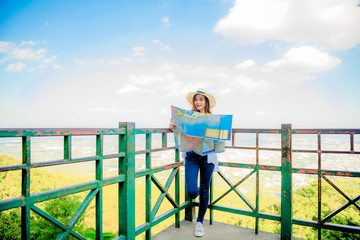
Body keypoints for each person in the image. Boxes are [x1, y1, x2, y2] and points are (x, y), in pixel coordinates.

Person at [169, 88, 220, 237]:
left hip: (208, 156)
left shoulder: (213, 118)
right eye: (196, 99)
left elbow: (219, 138)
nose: (198, 102)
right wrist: (173, 127)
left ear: (206, 102)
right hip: (191, 155)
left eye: (201, 99)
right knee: (192, 192)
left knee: (205, 189)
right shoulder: (187, 117)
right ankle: (197, 192)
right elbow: (182, 133)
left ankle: (199, 222)